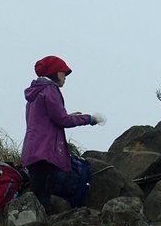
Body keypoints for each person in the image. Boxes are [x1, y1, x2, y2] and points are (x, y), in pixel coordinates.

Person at [22, 55, 105, 213]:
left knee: (37, 195)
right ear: (54, 73)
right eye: (62, 73)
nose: (65, 77)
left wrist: (70, 115)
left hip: (32, 151)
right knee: (43, 199)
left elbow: (46, 119)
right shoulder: (50, 90)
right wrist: (89, 119)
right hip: (45, 153)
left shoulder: (34, 94)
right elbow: (62, 120)